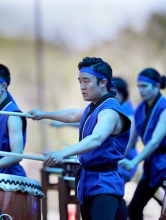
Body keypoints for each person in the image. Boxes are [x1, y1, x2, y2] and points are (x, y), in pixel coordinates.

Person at [28, 57, 131, 220]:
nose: (82, 87)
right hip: (89, 184)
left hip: (105, 185)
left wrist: (63, 153)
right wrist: (42, 115)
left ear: (103, 82)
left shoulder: (109, 112)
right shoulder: (94, 107)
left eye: (86, 81)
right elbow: (71, 115)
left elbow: (96, 139)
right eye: (80, 81)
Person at [119, 68, 166, 219]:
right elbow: (131, 140)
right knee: (133, 210)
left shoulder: (164, 107)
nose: (141, 90)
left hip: (164, 164)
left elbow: (154, 142)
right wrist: (115, 158)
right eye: (139, 86)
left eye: (144, 86)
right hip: (151, 167)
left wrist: (133, 162)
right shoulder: (139, 108)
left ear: (156, 86)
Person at [112, 77, 138, 183]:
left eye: (114, 92)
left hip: (124, 161)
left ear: (122, 94)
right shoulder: (112, 108)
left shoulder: (130, 114)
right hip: (112, 158)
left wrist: (114, 160)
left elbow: (129, 143)